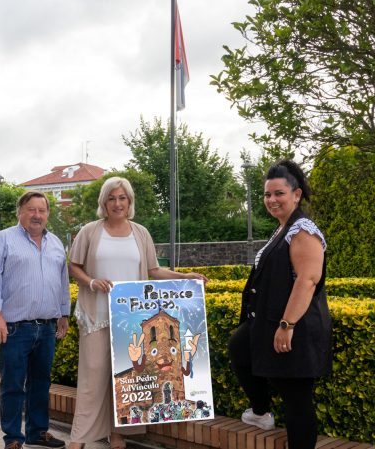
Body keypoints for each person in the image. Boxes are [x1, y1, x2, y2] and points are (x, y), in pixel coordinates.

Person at [66, 176, 208, 449]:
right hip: (97, 315)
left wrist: (185, 275)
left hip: (131, 319)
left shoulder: (140, 233)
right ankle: (80, 437)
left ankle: (118, 434)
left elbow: (154, 271)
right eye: (111, 198)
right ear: (103, 202)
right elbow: (74, 266)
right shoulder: (90, 231)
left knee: (129, 378)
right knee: (92, 377)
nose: (117, 203)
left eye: (122, 198)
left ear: (129, 202)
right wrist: (92, 282)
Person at [229, 160, 332, 449]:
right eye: (267, 195)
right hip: (268, 320)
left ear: (296, 195)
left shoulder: (303, 231)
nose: (271, 200)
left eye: (279, 194)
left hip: (296, 325)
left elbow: (308, 280)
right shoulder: (283, 228)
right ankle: (261, 411)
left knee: (296, 397)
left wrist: (287, 325)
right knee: (240, 346)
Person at [0, 191, 71, 449]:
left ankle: (37, 432)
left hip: (47, 327)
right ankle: (13, 438)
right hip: (15, 328)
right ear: (20, 212)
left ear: (47, 214)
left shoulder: (55, 244)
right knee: (13, 385)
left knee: (41, 383)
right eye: (31, 209)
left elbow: (62, 281)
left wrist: (64, 314)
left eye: (42, 210)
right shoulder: (2, 240)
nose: (37, 215)